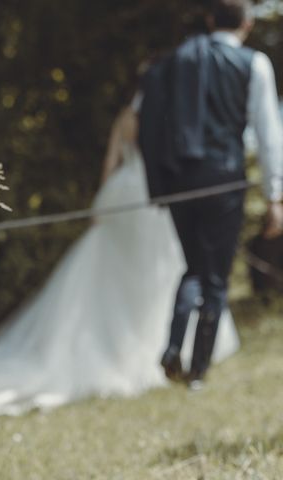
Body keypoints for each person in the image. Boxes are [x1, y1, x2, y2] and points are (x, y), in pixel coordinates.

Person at [0, 100, 240, 415]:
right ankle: (161, 350)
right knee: (157, 275)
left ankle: (137, 351)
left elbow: (110, 162)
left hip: (123, 191)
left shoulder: (125, 117)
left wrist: (101, 203)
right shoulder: (167, 113)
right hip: (151, 195)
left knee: (119, 278)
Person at [142, 0, 283, 389]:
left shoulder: (177, 60)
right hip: (224, 179)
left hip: (178, 179)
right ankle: (198, 373)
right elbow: (269, 136)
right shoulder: (253, 64)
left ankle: (173, 348)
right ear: (248, 24)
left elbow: (149, 116)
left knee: (193, 267)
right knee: (215, 277)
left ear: (209, 20)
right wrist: (275, 197)